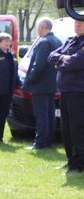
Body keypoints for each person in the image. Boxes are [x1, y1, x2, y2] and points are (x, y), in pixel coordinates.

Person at [49, 19, 84, 173]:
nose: (77, 25)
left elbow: (76, 62)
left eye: (81, 23)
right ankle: (71, 161)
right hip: (65, 90)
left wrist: (61, 61)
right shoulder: (71, 41)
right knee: (66, 128)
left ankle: (79, 164)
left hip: (79, 91)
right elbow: (51, 56)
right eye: (76, 23)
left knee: (77, 128)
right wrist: (63, 59)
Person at [23, 17, 61, 149]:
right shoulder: (57, 41)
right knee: (50, 113)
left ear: (43, 27)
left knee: (41, 115)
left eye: (38, 27)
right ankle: (49, 140)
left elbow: (38, 65)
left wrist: (30, 79)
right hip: (51, 84)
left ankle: (40, 143)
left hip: (40, 85)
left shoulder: (44, 42)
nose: (38, 30)